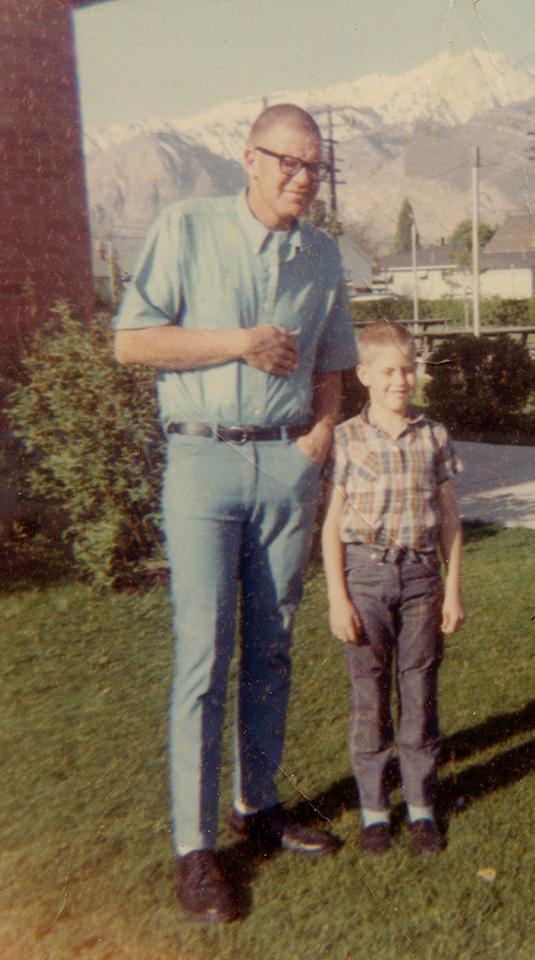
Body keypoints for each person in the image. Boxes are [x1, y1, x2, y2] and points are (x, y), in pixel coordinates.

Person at [114, 103, 357, 924]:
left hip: (286, 463)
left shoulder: (322, 254)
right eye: (288, 163)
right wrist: (239, 342)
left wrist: (321, 430)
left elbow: (332, 362)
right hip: (203, 459)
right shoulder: (186, 227)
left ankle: (257, 805)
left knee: (274, 646)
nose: (302, 179)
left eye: (314, 167)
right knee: (204, 651)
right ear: (248, 159)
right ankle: (195, 849)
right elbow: (132, 341)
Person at [322, 321, 465, 857]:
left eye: (408, 369)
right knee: (369, 695)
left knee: (419, 691)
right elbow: (331, 526)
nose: (400, 380)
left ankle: (423, 807)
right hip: (366, 580)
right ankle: (375, 811)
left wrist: (452, 589)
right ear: (364, 376)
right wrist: (338, 598)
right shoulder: (345, 438)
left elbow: (450, 520)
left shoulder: (434, 435)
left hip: (423, 579)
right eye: (388, 371)